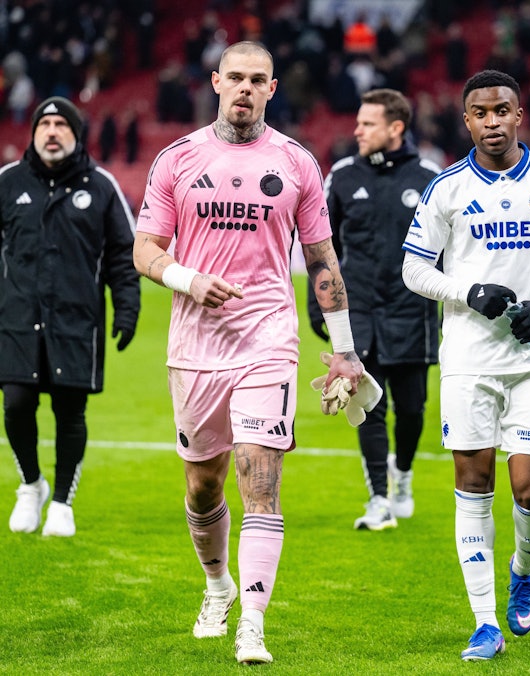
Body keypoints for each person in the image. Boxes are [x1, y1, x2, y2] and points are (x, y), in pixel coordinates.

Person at [132, 41, 363, 665]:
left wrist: (344, 351)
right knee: (204, 485)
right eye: (234, 77)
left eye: (256, 80)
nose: (244, 88)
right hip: (195, 347)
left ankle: (253, 623)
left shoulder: (296, 163)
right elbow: (145, 249)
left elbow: (321, 262)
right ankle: (217, 587)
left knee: (259, 475)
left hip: (269, 339)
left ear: (272, 87)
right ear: (214, 82)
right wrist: (187, 279)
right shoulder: (176, 160)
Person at [401, 70, 530, 661]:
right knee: (473, 483)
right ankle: (485, 622)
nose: (492, 122)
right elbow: (415, 269)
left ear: (519, 115)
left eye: (502, 111)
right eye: (480, 113)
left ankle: (524, 568)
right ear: (466, 120)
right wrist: (467, 293)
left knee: (529, 488)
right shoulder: (447, 190)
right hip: (467, 360)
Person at [0, 96, 140, 538]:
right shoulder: (8, 182)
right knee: (17, 404)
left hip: (77, 320)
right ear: (34, 132)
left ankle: (61, 503)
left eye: (63, 124)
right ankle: (31, 485)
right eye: (46, 124)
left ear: (76, 135)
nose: (53, 132)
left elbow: (123, 253)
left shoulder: (101, 186)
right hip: (18, 318)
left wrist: (128, 307)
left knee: (69, 410)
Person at [309, 88, 440, 530]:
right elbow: (321, 250)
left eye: (367, 124)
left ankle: (402, 475)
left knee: (413, 409)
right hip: (357, 311)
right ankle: (379, 498)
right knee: (367, 405)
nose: (357, 130)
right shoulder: (342, 176)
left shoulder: (430, 178)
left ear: (395, 128)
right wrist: (319, 306)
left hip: (412, 311)